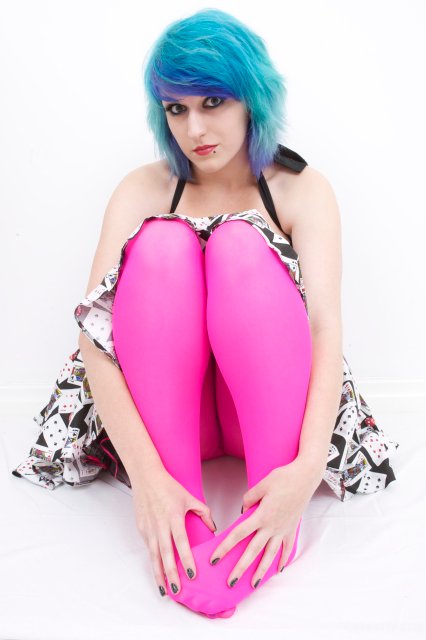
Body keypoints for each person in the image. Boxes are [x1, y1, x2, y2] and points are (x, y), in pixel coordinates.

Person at [12, 8, 399, 619]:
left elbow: (325, 327)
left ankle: (271, 519)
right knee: (162, 246)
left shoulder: (300, 189)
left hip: (262, 419)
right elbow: (94, 338)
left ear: (252, 99)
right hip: (177, 417)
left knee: (239, 245)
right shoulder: (143, 189)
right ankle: (180, 511)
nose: (195, 128)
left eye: (213, 102)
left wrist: (305, 474)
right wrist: (148, 481)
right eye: (176, 109)